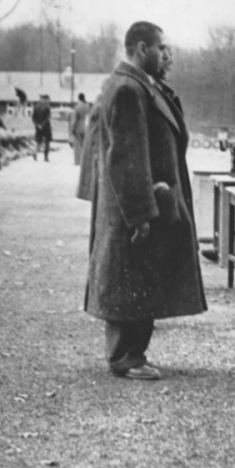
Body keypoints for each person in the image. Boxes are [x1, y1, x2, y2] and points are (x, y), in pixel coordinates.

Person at [84, 21, 206, 381]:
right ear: (141, 48)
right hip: (136, 206)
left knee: (140, 278)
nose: (166, 54)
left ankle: (132, 352)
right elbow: (125, 157)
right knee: (129, 279)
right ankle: (125, 356)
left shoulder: (140, 87)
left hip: (149, 201)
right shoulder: (127, 89)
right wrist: (140, 216)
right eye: (160, 48)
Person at [69, 93, 91, 166]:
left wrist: (72, 129)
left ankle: (77, 161)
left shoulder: (77, 107)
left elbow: (74, 120)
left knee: (77, 146)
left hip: (77, 128)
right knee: (84, 146)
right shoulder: (88, 106)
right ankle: (85, 160)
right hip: (86, 127)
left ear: (78, 98)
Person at [31, 94, 52, 162]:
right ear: (45, 99)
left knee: (38, 142)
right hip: (46, 127)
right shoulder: (47, 107)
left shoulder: (36, 107)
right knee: (47, 142)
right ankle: (46, 157)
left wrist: (38, 125)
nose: (48, 101)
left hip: (38, 128)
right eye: (47, 99)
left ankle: (35, 152)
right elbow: (48, 117)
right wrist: (42, 125)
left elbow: (33, 118)